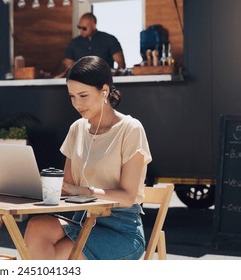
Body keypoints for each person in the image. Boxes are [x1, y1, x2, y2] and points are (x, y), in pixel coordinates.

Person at [24, 56, 152, 260]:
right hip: (82, 220)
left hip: (120, 229)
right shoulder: (77, 129)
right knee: (37, 226)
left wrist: (82, 191)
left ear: (105, 91)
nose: (77, 104)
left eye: (83, 95)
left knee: (64, 255)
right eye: (72, 96)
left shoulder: (130, 129)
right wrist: (38, 187)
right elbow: (68, 187)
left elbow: (127, 197)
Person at [54, 13, 126, 78]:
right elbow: (67, 65)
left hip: (103, 82)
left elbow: (121, 64)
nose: (81, 30)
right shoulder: (74, 43)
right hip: (80, 83)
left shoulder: (109, 40)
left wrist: (115, 78)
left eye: (84, 28)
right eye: (79, 27)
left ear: (94, 26)